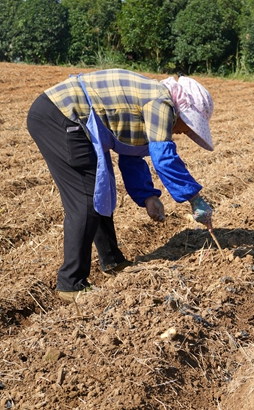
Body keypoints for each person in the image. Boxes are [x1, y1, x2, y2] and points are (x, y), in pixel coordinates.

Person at [27, 69, 217, 302]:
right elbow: (164, 158)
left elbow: (131, 154)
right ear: (183, 113)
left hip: (65, 117)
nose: (182, 132)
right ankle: (71, 283)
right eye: (188, 127)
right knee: (86, 200)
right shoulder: (161, 102)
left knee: (100, 192)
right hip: (60, 115)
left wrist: (148, 196)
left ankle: (112, 261)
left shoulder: (153, 100)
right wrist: (194, 198)